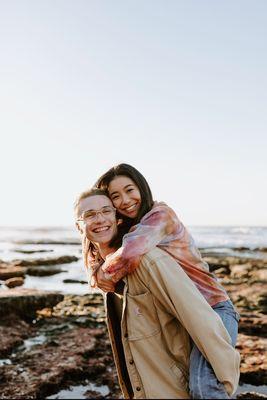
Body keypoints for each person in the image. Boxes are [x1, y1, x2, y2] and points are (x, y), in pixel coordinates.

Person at [88, 163, 241, 399]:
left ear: (142, 187)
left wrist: (99, 274)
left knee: (204, 386)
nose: (125, 200)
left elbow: (129, 253)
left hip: (213, 309)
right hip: (177, 316)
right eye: (115, 196)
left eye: (130, 190)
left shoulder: (160, 215)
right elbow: (97, 250)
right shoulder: (127, 228)